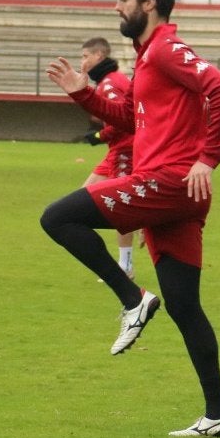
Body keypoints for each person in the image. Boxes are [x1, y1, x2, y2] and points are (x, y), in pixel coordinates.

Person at [41, 0, 220, 437]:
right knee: (185, 305)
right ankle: (219, 415)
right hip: (174, 192)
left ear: (149, 4)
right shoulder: (148, 57)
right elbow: (128, 119)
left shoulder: (167, 49)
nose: (117, 6)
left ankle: (132, 299)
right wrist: (82, 94)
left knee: (58, 218)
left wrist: (207, 159)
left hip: (169, 183)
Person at [78, 36, 139, 279]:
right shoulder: (111, 80)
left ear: (98, 57)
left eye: (85, 57)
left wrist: (99, 135)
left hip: (126, 150)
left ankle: (125, 265)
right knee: (82, 201)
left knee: (120, 208)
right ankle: (142, 221)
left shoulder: (110, 84)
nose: (82, 62)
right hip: (116, 150)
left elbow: (123, 120)